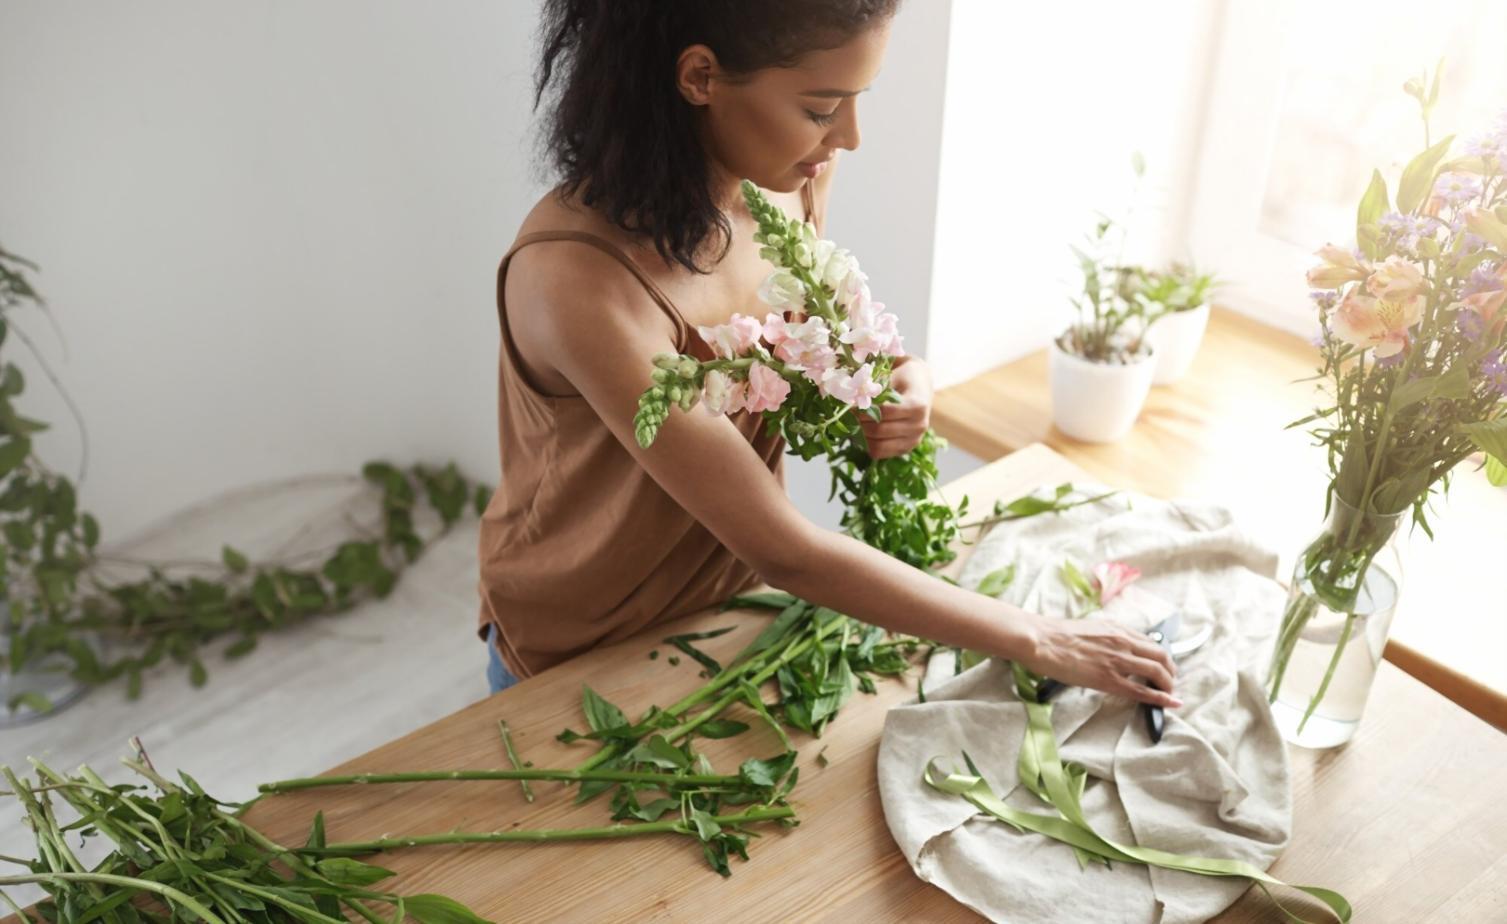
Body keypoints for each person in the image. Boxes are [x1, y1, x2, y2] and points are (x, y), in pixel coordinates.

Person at [477, 0, 1181, 711]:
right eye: (821, 108)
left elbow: (805, 334)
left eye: (855, 101)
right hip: (582, 644)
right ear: (699, 76)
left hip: (727, 614)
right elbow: (783, 549)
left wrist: (903, 375)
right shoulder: (577, 280)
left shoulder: (792, 180)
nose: (848, 137)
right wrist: (1039, 637)